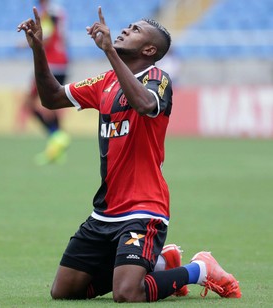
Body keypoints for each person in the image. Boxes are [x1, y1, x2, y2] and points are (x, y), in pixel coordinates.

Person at [17, 6, 241, 302]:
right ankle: (161, 262)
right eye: (128, 27)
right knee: (64, 291)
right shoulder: (104, 82)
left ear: (149, 49)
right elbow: (51, 97)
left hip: (145, 209)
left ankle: (199, 269)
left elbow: (144, 104)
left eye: (135, 30)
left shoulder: (158, 78)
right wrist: (38, 50)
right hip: (105, 211)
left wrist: (109, 51)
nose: (125, 30)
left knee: (127, 293)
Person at [17, 0, 70, 165]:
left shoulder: (51, 12)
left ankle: (57, 136)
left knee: (31, 102)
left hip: (51, 64)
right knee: (53, 103)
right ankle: (56, 146)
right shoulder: (58, 12)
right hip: (61, 63)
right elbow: (61, 38)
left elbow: (46, 37)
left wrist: (26, 44)